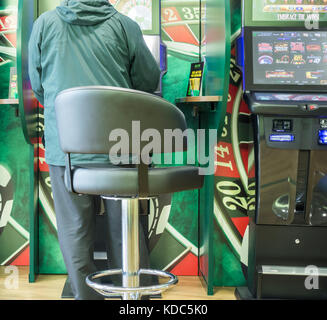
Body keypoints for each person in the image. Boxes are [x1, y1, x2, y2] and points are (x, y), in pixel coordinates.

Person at [28, 0, 160, 300]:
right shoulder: (126, 27)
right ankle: (133, 296)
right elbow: (148, 82)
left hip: (68, 149)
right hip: (121, 149)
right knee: (124, 223)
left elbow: (39, 87)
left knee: (74, 228)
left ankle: (85, 296)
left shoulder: (44, 26)